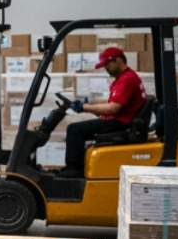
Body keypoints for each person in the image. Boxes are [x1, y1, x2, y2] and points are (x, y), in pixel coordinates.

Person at [60, 46, 147, 177]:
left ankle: (73, 171)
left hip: (121, 122)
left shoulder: (127, 79)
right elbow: (111, 106)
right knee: (79, 128)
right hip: (120, 119)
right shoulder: (122, 78)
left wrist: (85, 108)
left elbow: (113, 108)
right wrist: (89, 106)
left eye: (107, 64)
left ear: (118, 60)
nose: (106, 68)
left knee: (75, 129)